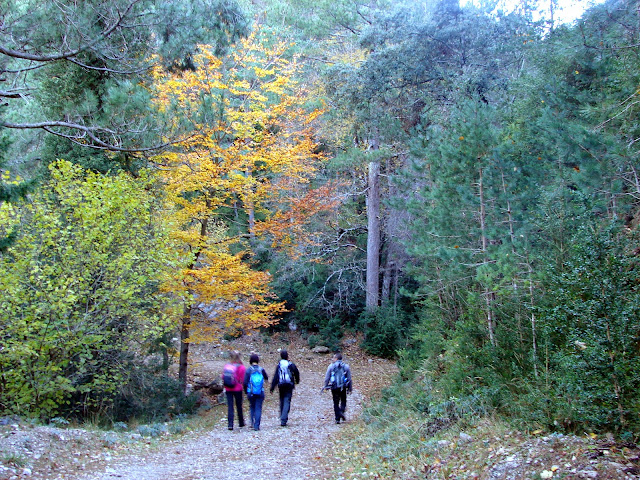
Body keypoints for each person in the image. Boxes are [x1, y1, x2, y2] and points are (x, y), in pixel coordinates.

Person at [269, 349, 300, 427]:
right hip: (289, 384)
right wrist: (297, 381)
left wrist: (272, 387)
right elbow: (296, 372)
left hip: (281, 384)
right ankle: (284, 418)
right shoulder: (290, 364)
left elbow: (276, 376)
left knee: (282, 399)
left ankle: (282, 415)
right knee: (287, 400)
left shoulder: (279, 365)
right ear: (287, 356)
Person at [323, 352, 352, 424]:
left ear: (336, 358)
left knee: (335, 402)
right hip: (343, 386)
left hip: (334, 386)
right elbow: (349, 378)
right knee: (343, 400)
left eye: (333, 358)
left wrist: (325, 386)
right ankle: (341, 411)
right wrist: (350, 388)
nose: (332, 359)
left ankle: (337, 419)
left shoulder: (331, 366)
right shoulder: (346, 366)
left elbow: (327, 378)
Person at [243, 353, 269, 431]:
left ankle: (252, 422)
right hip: (260, 392)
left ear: (250, 361)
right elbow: (266, 378)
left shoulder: (249, 370)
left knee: (252, 406)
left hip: (251, 392)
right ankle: (257, 426)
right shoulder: (261, 369)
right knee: (258, 408)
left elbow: (245, 382)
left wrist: (246, 391)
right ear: (258, 360)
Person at [222, 351, 246, 431]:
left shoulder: (227, 366)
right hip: (238, 388)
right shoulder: (241, 367)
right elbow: (243, 379)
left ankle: (230, 424)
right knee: (239, 405)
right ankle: (241, 422)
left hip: (228, 388)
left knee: (230, 406)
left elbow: (223, 377)